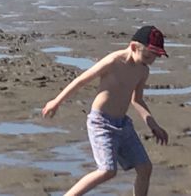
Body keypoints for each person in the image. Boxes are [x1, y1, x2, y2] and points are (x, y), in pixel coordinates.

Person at [42, 25, 169, 196]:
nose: (150, 61)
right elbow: (81, 81)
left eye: (155, 57)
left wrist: (154, 125)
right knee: (107, 170)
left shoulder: (143, 70)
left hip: (123, 125)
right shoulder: (113, 61)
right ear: (133, 47)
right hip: (101, 123)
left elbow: (137, 100)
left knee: (145, 168)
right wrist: (57, 101)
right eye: (147, 56)